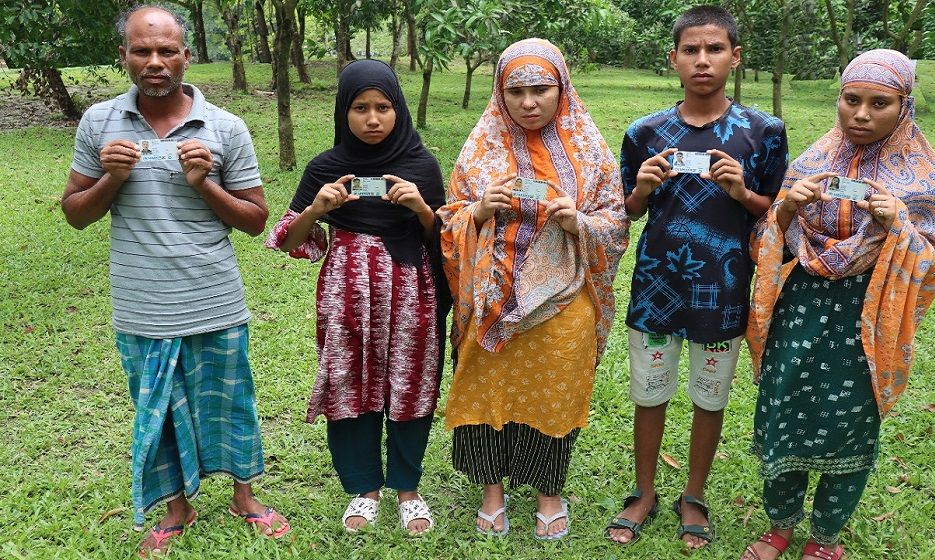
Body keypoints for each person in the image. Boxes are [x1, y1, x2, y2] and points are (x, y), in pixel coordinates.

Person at [60, 5, 288, 557]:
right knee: (157, 409)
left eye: (167, 51)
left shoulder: (226, 127)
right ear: (125, 57)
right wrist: (112, 178)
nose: (155, 62)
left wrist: (204, 183)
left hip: (214, 297)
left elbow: (256, 221)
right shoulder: (99, 123)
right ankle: (176, 506)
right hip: (142, 303)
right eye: (143, 51)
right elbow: (75, 213)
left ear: (187, 55)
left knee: (230, 401)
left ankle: (244, 495)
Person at [741, 49, 935, 560]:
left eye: (878, 103)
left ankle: (825, 539)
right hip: (799, 310)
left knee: (852, 422)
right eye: (850, 100)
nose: (860, 115)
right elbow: (763, 243)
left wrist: (897, 226)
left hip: (867, 318)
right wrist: (788, 207)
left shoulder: (926, 180)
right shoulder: (812, 161)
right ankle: (779, 527)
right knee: (783, 408)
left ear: (903, 107)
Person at [606, 5, 789, 548]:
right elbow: (628, 209)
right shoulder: (645, 133)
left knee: (710, 396)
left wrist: (742, 193)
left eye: (714, 49)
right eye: (691, 50)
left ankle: (694, 493)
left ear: (735, 57)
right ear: (674, 59)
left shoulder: (763, 131)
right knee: (649, 391)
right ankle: (643, 492)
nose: (702, 60)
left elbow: (779, 212)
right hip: (657, 286)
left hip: (724, 288)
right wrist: (641, 188)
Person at [438, 38, 628, 540]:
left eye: (541, 89)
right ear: (500, 92)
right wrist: (478, 211)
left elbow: (616, 220)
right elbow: (449, 217)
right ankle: (491, 492)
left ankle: (549, 492)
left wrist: (578, 223)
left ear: (561, 87)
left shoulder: (589, 148)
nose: (528, 102)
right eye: (515, 90)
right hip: (492, 300)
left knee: (554, 397)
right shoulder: (481, 146)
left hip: (565, 298)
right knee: (485, 393)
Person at [264, 59, 448, 536]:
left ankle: (407, 488)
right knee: (349, 381)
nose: (372, 119)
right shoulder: (326, 168)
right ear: (343, 110)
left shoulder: (421, 165)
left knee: (410, 384)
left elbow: (446, 242)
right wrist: (316, 209)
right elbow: (288, 239)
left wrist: (421, 208)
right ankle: (364, 490)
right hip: (346, 291)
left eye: (383, 107)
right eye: (360, 107)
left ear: (398, 109)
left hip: (412, 290)